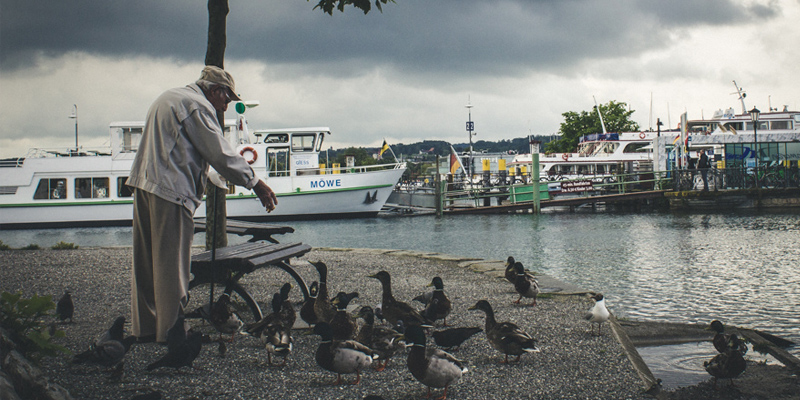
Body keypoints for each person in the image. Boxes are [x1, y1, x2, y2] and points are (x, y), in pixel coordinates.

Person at [125, 66, 277, 343]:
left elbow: (176, 149)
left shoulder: (167, 98)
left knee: (146, 263)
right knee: (172, 266)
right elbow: (219, 152)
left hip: (143, 184)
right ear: (215, 90)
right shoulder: (197, 106)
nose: (227, 105)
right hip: (170, 192)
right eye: (227, 98)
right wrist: (255, 183)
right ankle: (171, 332)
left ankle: (146, 327)